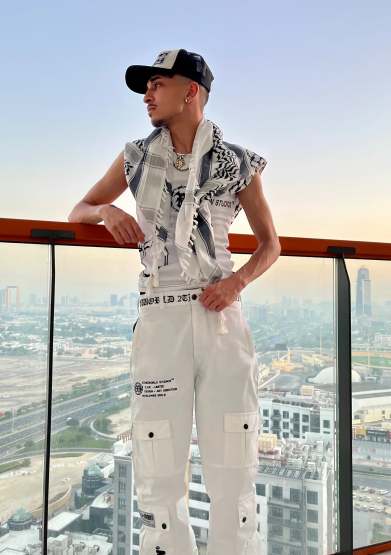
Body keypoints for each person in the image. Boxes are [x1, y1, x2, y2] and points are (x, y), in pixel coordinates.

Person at [68, 48, 280, 555]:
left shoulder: (238, 164)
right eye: (146, 87)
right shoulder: (135, 158)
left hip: (221, 316)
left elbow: (271, 244)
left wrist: (236, 283)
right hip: (160, 315)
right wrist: (106, 213)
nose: (147, 94)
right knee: (157, 457)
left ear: (191, 92)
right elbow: (80, 208)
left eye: (157, 84)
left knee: (234, 458)